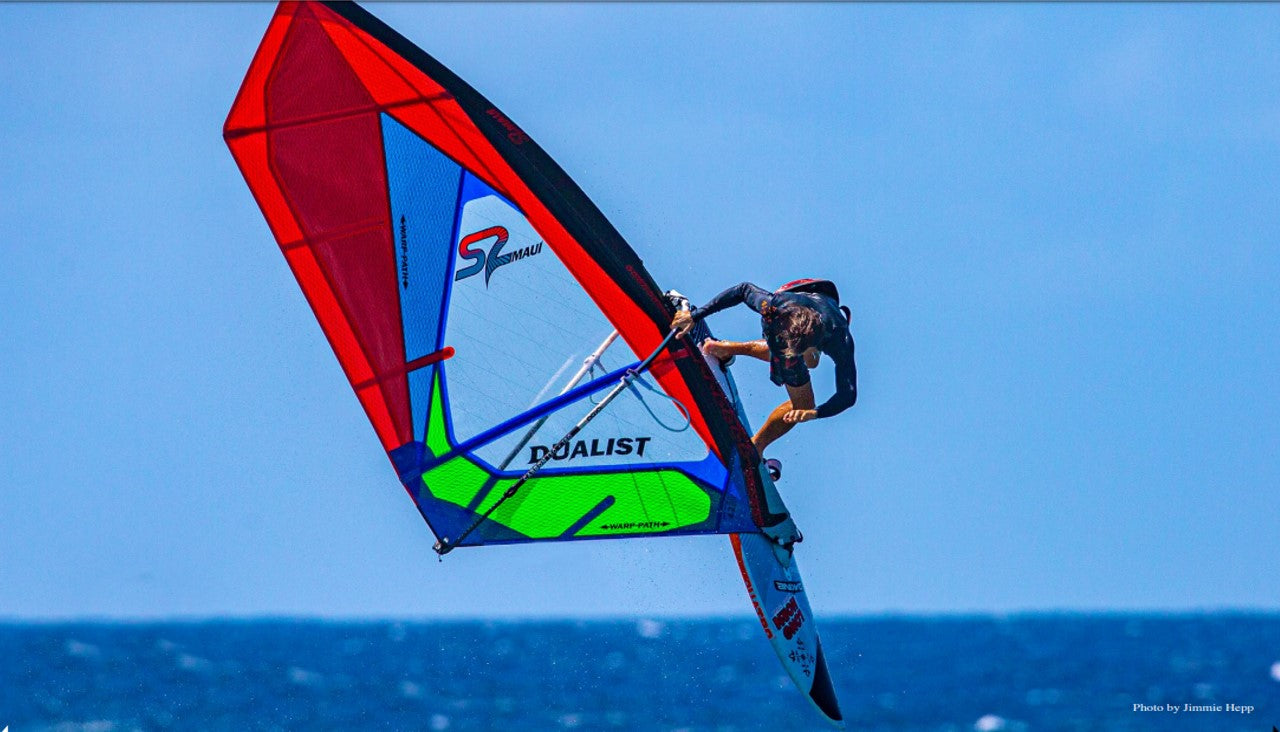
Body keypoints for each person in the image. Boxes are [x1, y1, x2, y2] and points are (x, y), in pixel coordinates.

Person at [670, 280, 857, 478]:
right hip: (791, 300)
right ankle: (727, 348)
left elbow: (848, 395)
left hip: (819, 320)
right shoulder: (774, 305)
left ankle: (755, 445)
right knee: (783, 349)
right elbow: (743, 290)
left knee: (806, 387)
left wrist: (815, 413)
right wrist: (693, 316)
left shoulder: (839, 339)